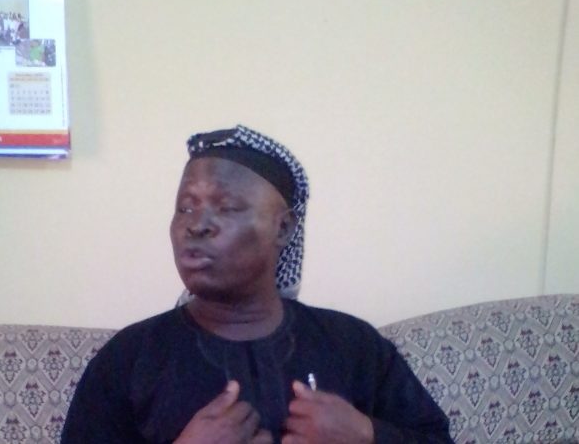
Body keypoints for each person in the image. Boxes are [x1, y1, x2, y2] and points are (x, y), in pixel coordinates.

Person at [61, 125, 453, 443]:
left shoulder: (354, 346)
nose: (196, 225)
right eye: (185, 207)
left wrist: (367, 435)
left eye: (227, 207)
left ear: (282, 228)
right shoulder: (129, 360)